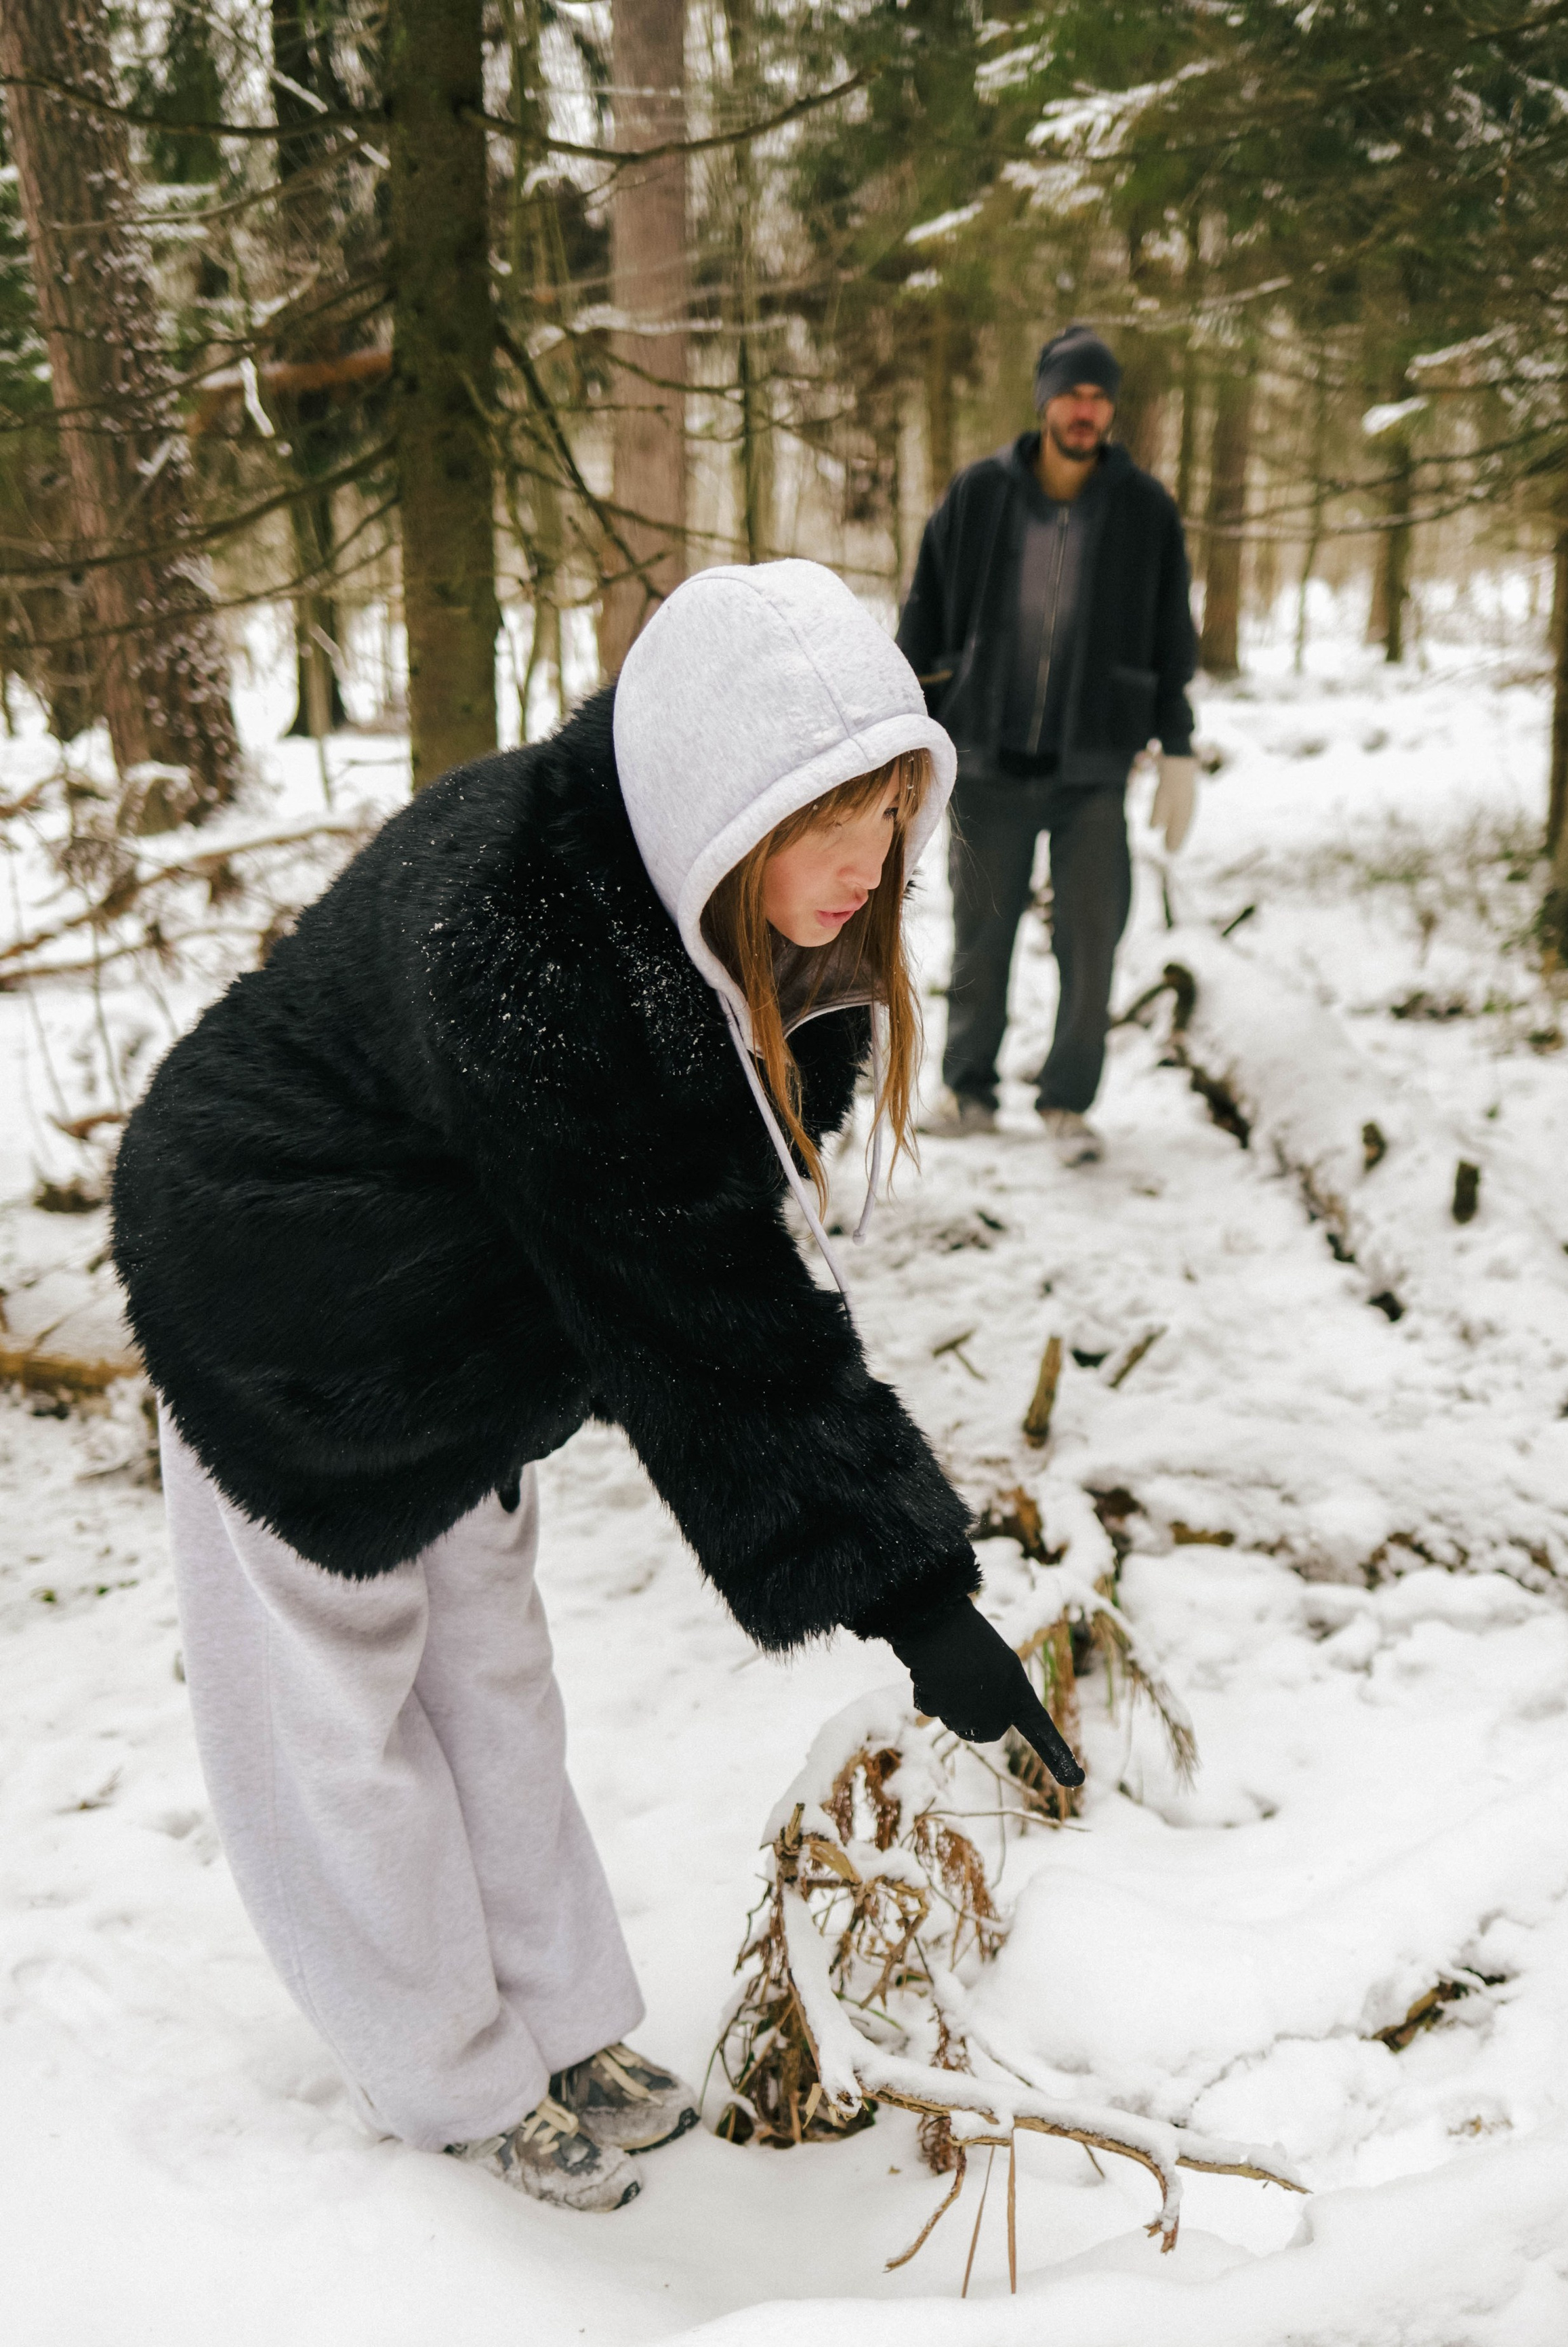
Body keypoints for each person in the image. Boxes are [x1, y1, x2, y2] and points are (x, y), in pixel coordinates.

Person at [110, 560, 1077, 2216]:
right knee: (337, 1714)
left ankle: (561, 2020)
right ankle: (443, 2068)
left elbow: (684, 1249)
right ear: (717, 792)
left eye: (887, 813)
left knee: (492, 1664)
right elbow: (701, 1310)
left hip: (474, 1309)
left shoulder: (720, 913)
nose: (862, 864)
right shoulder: (530, 938)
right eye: (821, 820)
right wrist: (916, 1595)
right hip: (277, 1306)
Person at [896, 323, 1199, 1163]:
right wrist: (904, 728)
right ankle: (967, 1089)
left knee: (1091, 936)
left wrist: (1177, 744)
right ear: (1043, 399)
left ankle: (1067, 1101)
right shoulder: (980, 495)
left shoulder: (1144, 510)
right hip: (987, 759)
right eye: (1071, 393)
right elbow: (923, 615)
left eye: (1099, 396)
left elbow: (1173, 632)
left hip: (1092, 769)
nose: (1085, 409)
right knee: (980, 931)